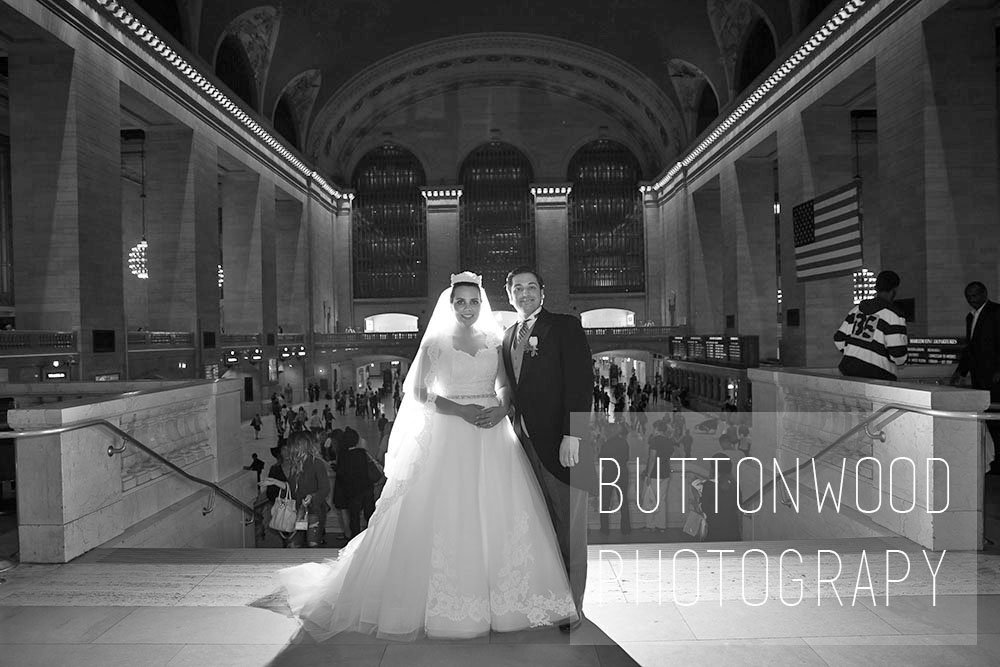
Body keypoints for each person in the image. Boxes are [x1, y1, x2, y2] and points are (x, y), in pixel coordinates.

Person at [277, 271, 577, 641]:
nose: (467, 308)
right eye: (460, 302)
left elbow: (504, 384)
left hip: (492, 432)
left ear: (482, 304)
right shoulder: (436, 342)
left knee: (503, 512)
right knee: (451, 512)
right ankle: (450, 604)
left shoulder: (493, 339)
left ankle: (510, 600)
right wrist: (461, 409)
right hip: (451, 433)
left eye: (473, 301)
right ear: (450, 305)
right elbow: (419, 393)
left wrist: (500, 408)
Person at [499, 266, 596, 632]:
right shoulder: (508, 337)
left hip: (562, 446)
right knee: (543, 528)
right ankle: (551, 598)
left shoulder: (564, 327)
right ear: (509, 296)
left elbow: (581, 380)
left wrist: (575, 434)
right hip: (524, 447)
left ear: (543, 291)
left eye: (531, 287)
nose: (525, 293)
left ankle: (573, 607)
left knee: (570, 529)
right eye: (517, 289)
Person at [950, 281, 1000, 474]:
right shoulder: (970, 318)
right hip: (980, 378)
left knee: (996, 420)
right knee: (986, 421)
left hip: (995, 378)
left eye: (975, 295)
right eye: (969, 297)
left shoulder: (996, 312)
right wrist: (959, 372)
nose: (972, 300)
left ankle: (997, 464)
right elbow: (970, 349)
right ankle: (992, 461)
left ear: (984, 293)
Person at [834, 270, 908, 380]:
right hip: (878, 378)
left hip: (848, 373)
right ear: (894, 290)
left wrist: (854, 354)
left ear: (876, 288)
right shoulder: (894, 315)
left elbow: (838, 339)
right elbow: (898, 354)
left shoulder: (856, 310)